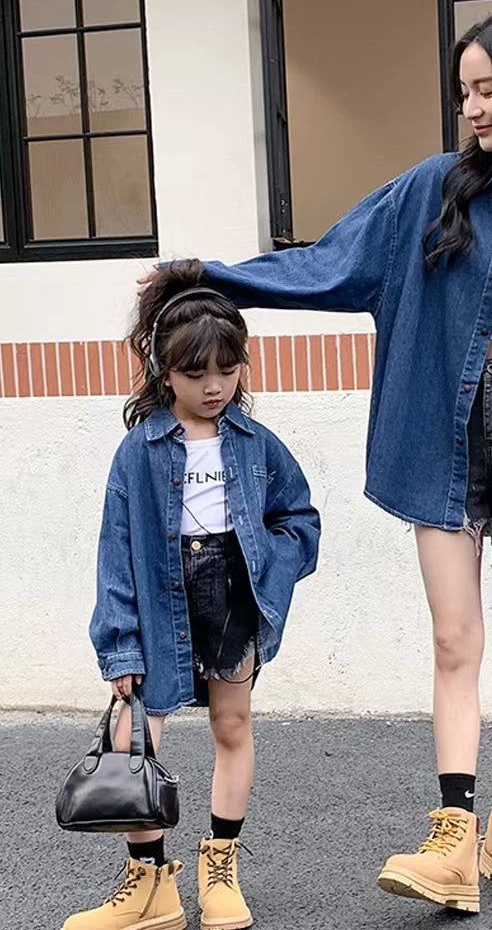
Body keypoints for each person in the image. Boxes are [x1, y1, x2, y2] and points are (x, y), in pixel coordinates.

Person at [151, 0, 492, 914]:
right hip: (442, 439)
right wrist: (209, 276)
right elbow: (330, 262)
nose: (473, 108)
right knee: (457, 640)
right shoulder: (433, 191)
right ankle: (452, 839)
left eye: (488, 88)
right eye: (462, 92)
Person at [64, 260, 321, 930]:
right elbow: (115, 551)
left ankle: (220, 872)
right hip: (159, 602)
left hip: (232, 597)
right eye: (195, 373)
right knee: (131, 737)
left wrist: (272, 568)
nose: (214, 387)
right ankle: (150, 886)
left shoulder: (256, 444)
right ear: (163, 371)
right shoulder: (139, 453)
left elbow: (299, 518)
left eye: (227, 369)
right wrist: (118, 644)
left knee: (231, 727)